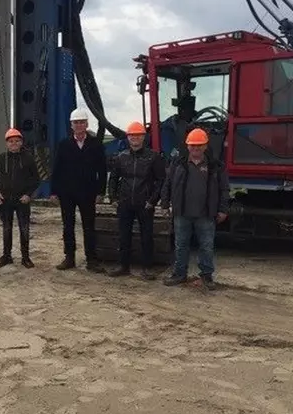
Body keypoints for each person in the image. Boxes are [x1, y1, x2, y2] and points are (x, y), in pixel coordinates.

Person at [160, 128, 230, 289]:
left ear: (205, 146)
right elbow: (167, 184)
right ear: (187, 146)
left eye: (199, 145)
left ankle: (206, 276)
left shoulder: (215, 166)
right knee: (181, 245)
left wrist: (223, 209)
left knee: (206, 246)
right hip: (182, 213)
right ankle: (179, 274)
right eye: (193, 145)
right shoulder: (178, 164)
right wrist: (165, 204)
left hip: (205, 214)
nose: (196, 149)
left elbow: (224, 190)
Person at [50, 108, 107, 273]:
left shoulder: (96, 144)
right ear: (71, 125)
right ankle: (69, 257)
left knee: (89, 226)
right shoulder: (64, 145)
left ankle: (92, 260)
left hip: (88, 192)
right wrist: (54, 191)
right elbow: (57, 169)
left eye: (82, 122)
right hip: (67, 192)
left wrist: (100, 192)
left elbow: (102, 170)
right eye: (76, 122)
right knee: (68, 226)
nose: (79, 125)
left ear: (87, 124)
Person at [106, 121, 166, 280]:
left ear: (143, 137)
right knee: (123, 236)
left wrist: (152, 201)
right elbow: (113, 178)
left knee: (146, 236)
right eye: (132, 135)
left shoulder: (153, 157)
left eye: (138, 135)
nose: (135, 138)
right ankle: (123, 266)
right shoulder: (121, 157)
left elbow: (161, 181)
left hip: (145, 204)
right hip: (125, 203)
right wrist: (113, 198)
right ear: (128, 137)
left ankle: (147, 268)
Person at [0, 128, 40, 268]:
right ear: (7, 143)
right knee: (7, 228)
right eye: (11, 141)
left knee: (24, 228)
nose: (14, 144)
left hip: (22, 200)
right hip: (5, 200)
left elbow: (36, 179)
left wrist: (28, 195)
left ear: (21, 142)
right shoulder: (0, 158)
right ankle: (6, 256)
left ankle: (25, 257)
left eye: (17, 141)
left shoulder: (28, 158)